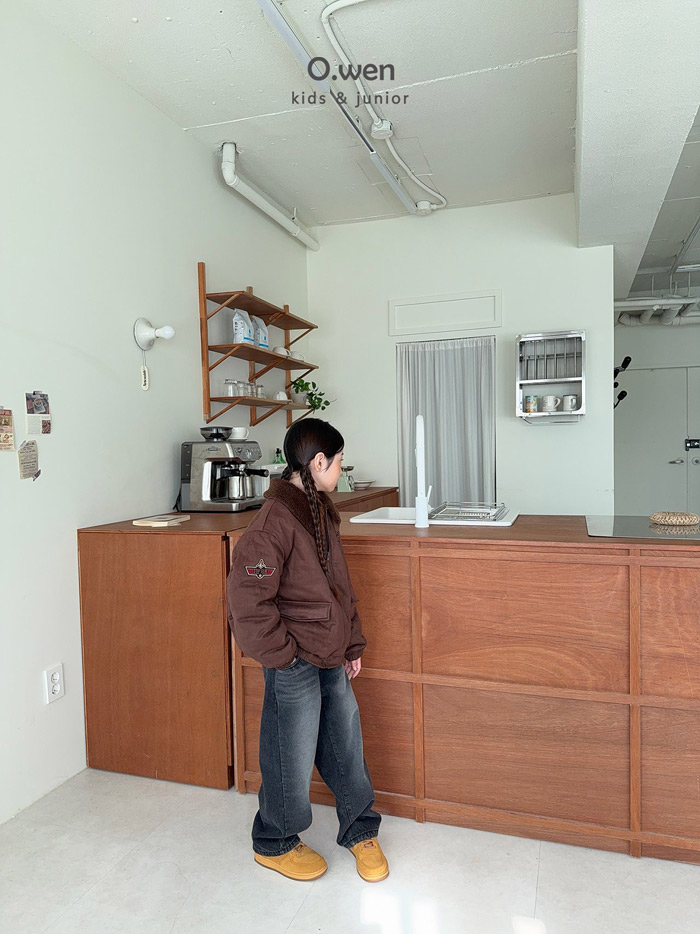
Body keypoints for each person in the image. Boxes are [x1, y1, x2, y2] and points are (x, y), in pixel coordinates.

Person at [226, 418, 389, 883]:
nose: (340, 468)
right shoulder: (272, 524)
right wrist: (285, 658)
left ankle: (360, 829)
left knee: (345, 746)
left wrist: (351, 643)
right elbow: (246, 602)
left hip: (330, 654)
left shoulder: (319, 510)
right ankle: (274, 841)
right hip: (295, 660)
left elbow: (339, 588)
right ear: (318, 462)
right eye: (339, 461)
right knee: (289, 755)